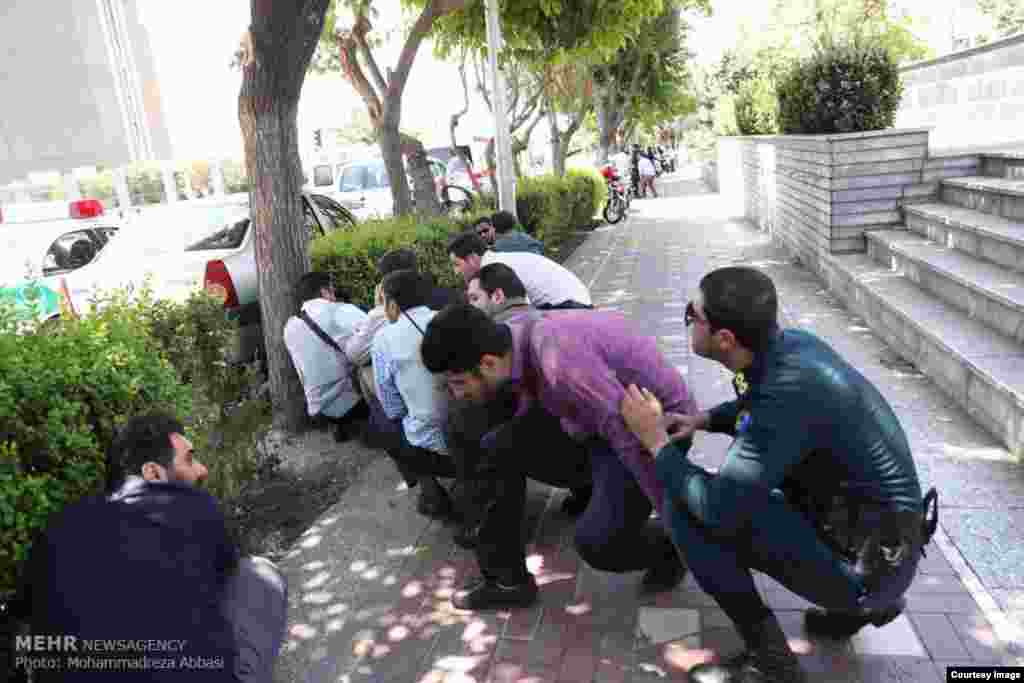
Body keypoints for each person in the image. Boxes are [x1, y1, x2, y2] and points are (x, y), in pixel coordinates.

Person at [619, 267, 938, 683]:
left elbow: (718, 508)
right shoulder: (793, 347)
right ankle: (866, 605)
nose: (686, 321)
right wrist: (703, 420)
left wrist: (655, 441)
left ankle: (773, 663)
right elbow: (757, 404)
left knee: (688, 510)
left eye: (691, 315)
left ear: (725, 339)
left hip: (871, 570)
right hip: (888, 551)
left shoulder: (789, 393)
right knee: (739, 491)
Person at [420, 304, 696, 610]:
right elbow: (534, 396)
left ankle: (668, 546)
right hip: (593, 422)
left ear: (487, 363)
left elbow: (630, 437)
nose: (456, 393)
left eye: (458, 383)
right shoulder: (512, 335)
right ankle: (506, 580)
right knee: (495, 443)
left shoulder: (560, 362)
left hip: (653, 430)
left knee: (598, 542)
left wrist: (677, 520)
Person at [18, 413, 288, 682]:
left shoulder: (57, 530)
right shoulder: (194, 507)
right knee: (256, 573)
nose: (202, 470)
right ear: (153, 473)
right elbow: (223, 578)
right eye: (190, 459)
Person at [462, 262, 592, 517]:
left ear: (497, 296)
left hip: (573, 443)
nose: (470, 307)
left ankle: (496, 525)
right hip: (588, 435)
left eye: (475, 298)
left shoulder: (506, 334)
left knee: (486, 435)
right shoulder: (544, 318)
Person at [373, 269, 458, 518]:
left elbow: (392, 406)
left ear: (392, 304)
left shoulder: (384, 338)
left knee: (383, 418)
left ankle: (430, 491)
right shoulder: (450, 319)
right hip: (475, 432)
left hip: (431, 445)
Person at [284, 272, 370, 442]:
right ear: (325, 291)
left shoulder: (289, 327)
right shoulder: (339, 310)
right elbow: (377, 335)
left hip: (319, 409)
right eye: (333, 289)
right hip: (352, 402)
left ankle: (342, 425)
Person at [448, 232, 591, 310]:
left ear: (472, 258)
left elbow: (520, 312)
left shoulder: (494, 268)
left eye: (457, 264)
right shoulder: (497, 260)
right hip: (573, 303)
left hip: (570, 308)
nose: (456, 272)